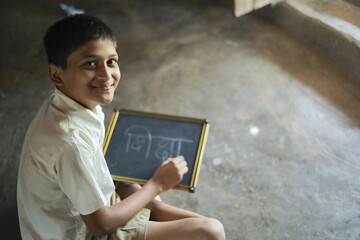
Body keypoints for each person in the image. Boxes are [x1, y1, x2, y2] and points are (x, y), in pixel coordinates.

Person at [17, 14, 225, 240]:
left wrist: (138, 188)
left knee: (140, 191)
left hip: (93, 206)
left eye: (111, 61)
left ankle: (141, 199)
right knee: (210, 231)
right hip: (83, 230)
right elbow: (101, 225)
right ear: (56, 74)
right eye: (90, 64)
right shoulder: (69, 142)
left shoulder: (68, 103)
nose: (106, 75)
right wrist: (156, 185)